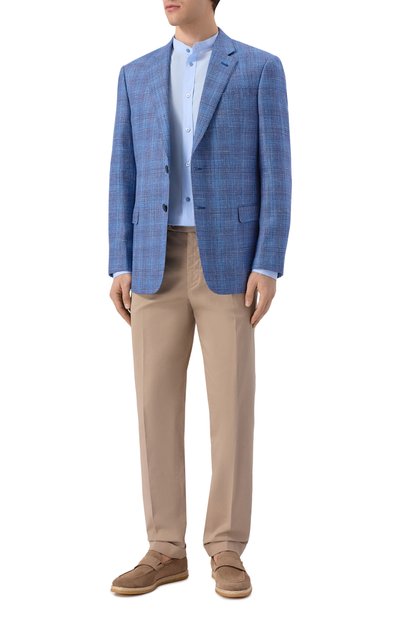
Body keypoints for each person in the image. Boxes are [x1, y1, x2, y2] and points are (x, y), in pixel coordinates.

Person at [108, 0, 291, 599]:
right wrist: (120, 261)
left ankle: (226, 547)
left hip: (231, 261)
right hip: (152, 258)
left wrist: (267, 261)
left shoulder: (260, 69)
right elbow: (123, 172)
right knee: (153, 405)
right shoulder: (135, 74)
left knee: (231, 407)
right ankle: (165, 548)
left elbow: (277, 171)